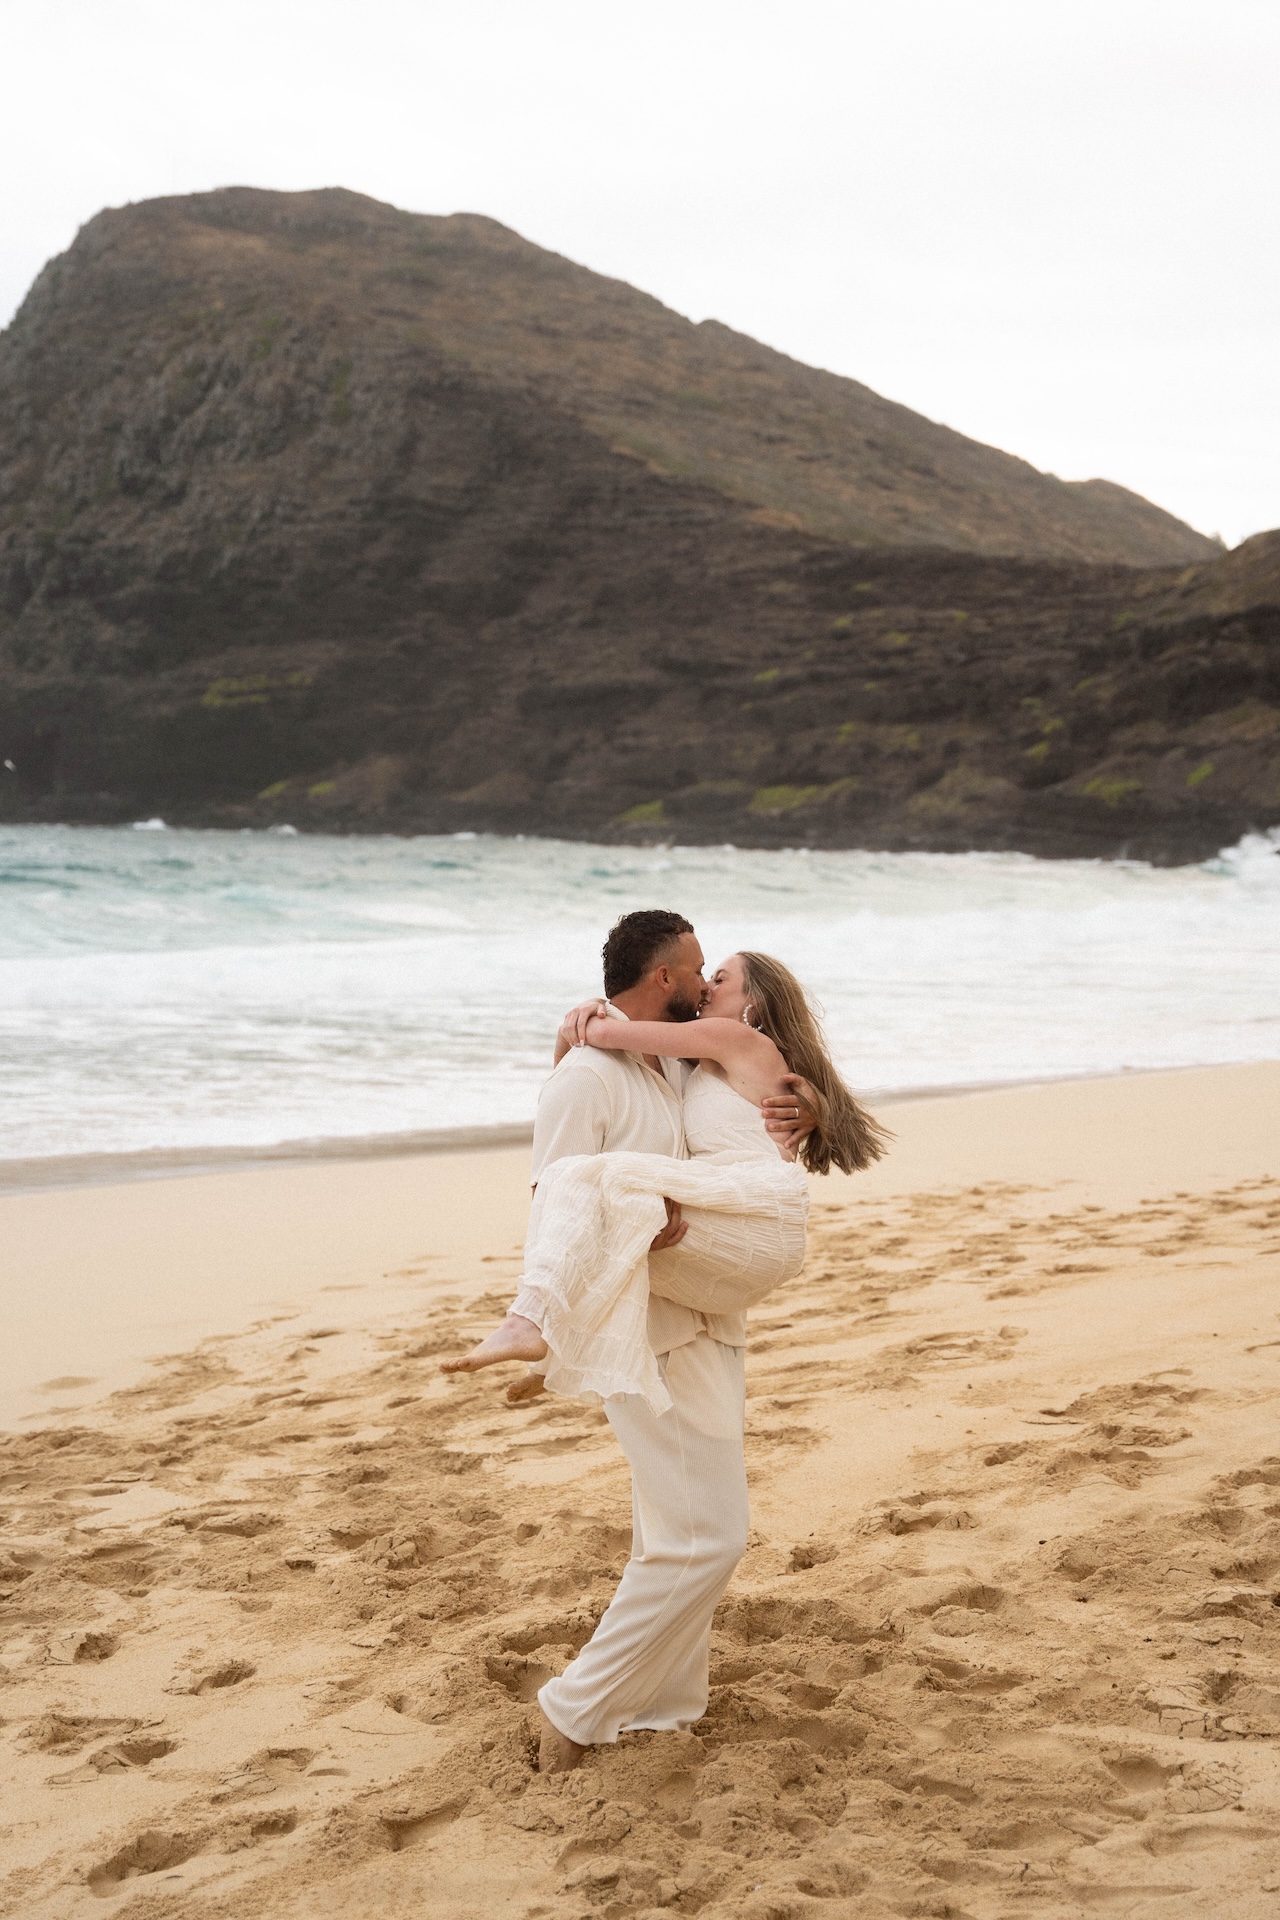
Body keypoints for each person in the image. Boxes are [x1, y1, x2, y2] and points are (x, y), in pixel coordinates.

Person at [441, 911, 886, 1772]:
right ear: (665, 982)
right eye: (697, 971)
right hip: (653, 1332)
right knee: (705, 1539)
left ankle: (661, 1707)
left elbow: (759, 1105)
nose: (706, 982)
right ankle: (576, 1710)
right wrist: (574, 1037)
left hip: (710, 1317)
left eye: (719, 975)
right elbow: (556, 1190)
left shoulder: (680, 1063)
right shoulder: (595, 1073)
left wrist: (807, 1103)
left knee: (672, 1535)